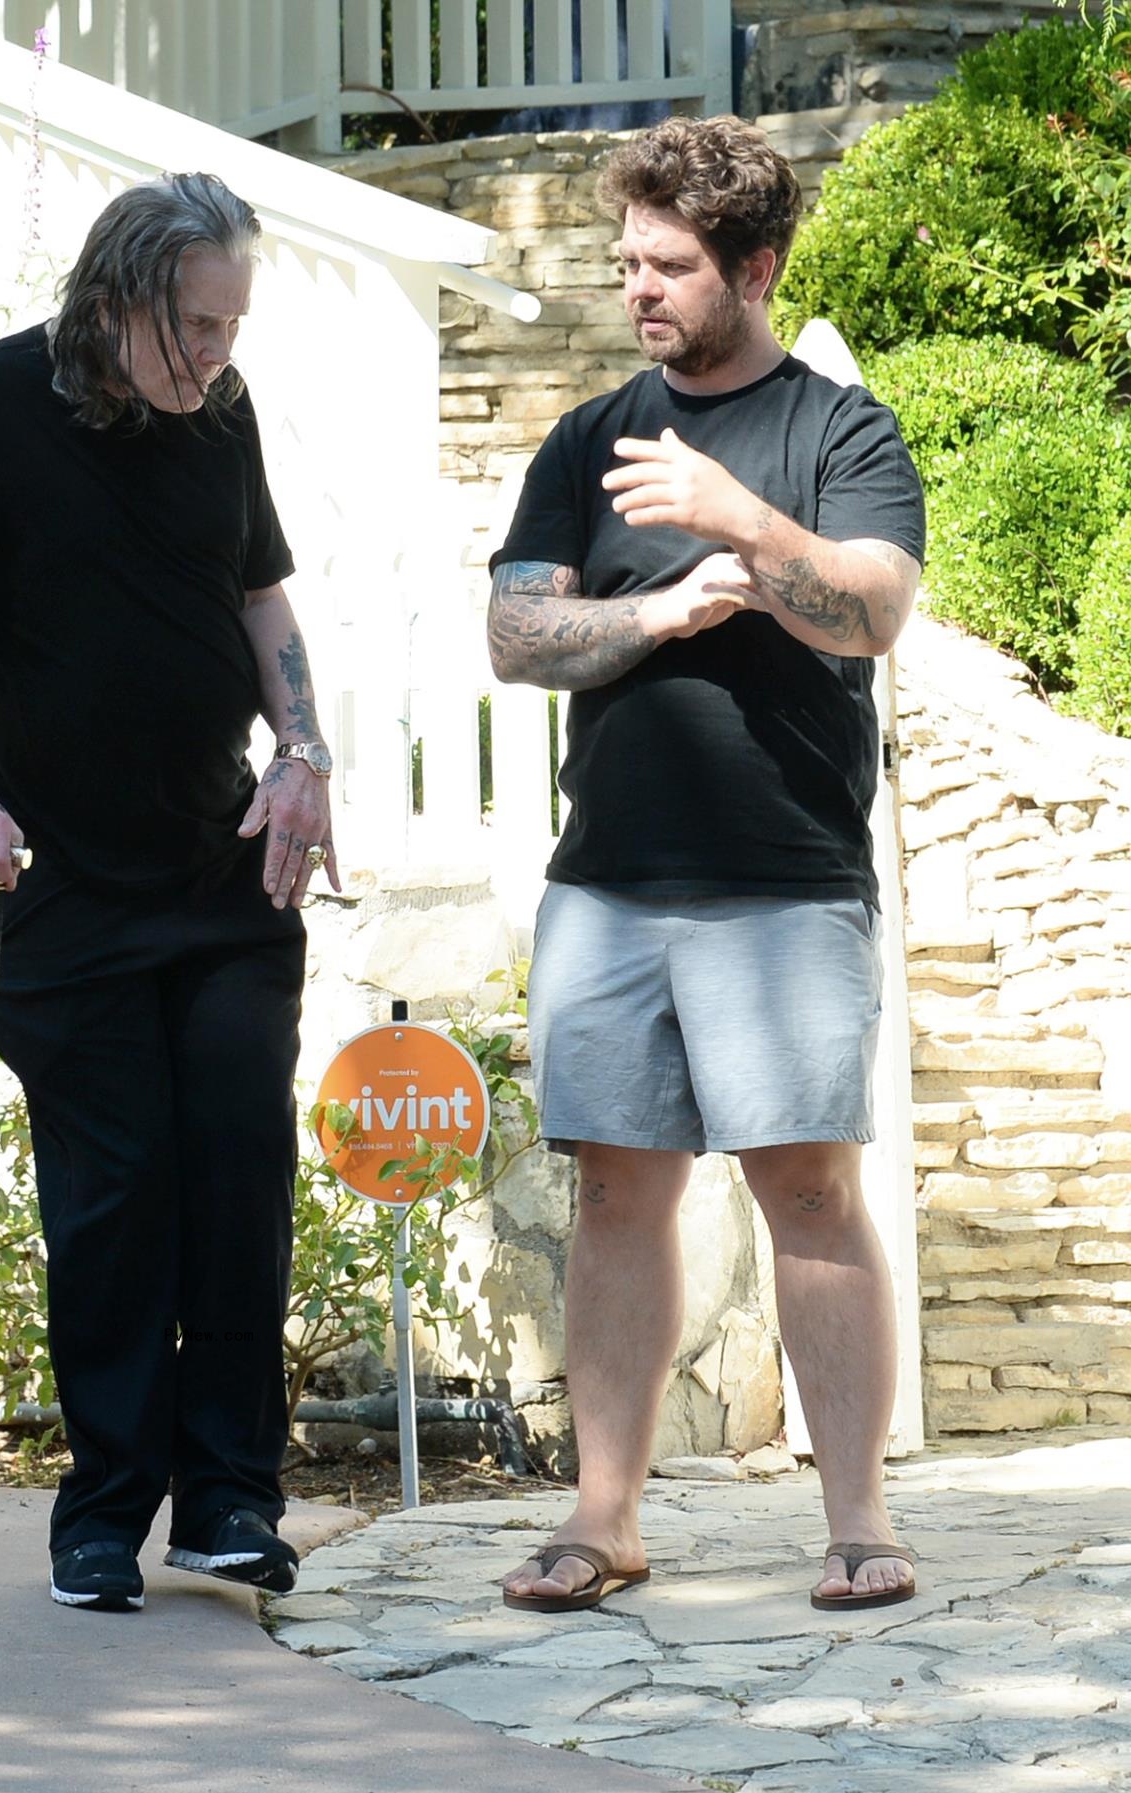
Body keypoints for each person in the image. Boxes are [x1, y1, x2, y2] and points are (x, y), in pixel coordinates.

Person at [485, 117, 926, 1616]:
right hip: (608, 882)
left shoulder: (838, 434)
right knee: (617, 1192)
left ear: (756, 265)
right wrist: (661, 616)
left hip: (786, 884)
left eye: (671, 265)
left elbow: (868, 613)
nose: (642, 289)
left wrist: (744, 520)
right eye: (628, 262)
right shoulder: (589, 435)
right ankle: (604, 1515)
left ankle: (858, 1520)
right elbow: (515, 632)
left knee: (809, 1190)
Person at [0, 172, 337, 1614]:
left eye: (232, 328)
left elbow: (262, 595)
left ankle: (229, 1502)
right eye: (195, 326)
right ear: (116, 294)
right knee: (116, 1187)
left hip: (220, 864)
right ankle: (104, 1509)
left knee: (237, 1173)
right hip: (56, 882)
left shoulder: (226, 412)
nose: (215, 357)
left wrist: (306, 750)